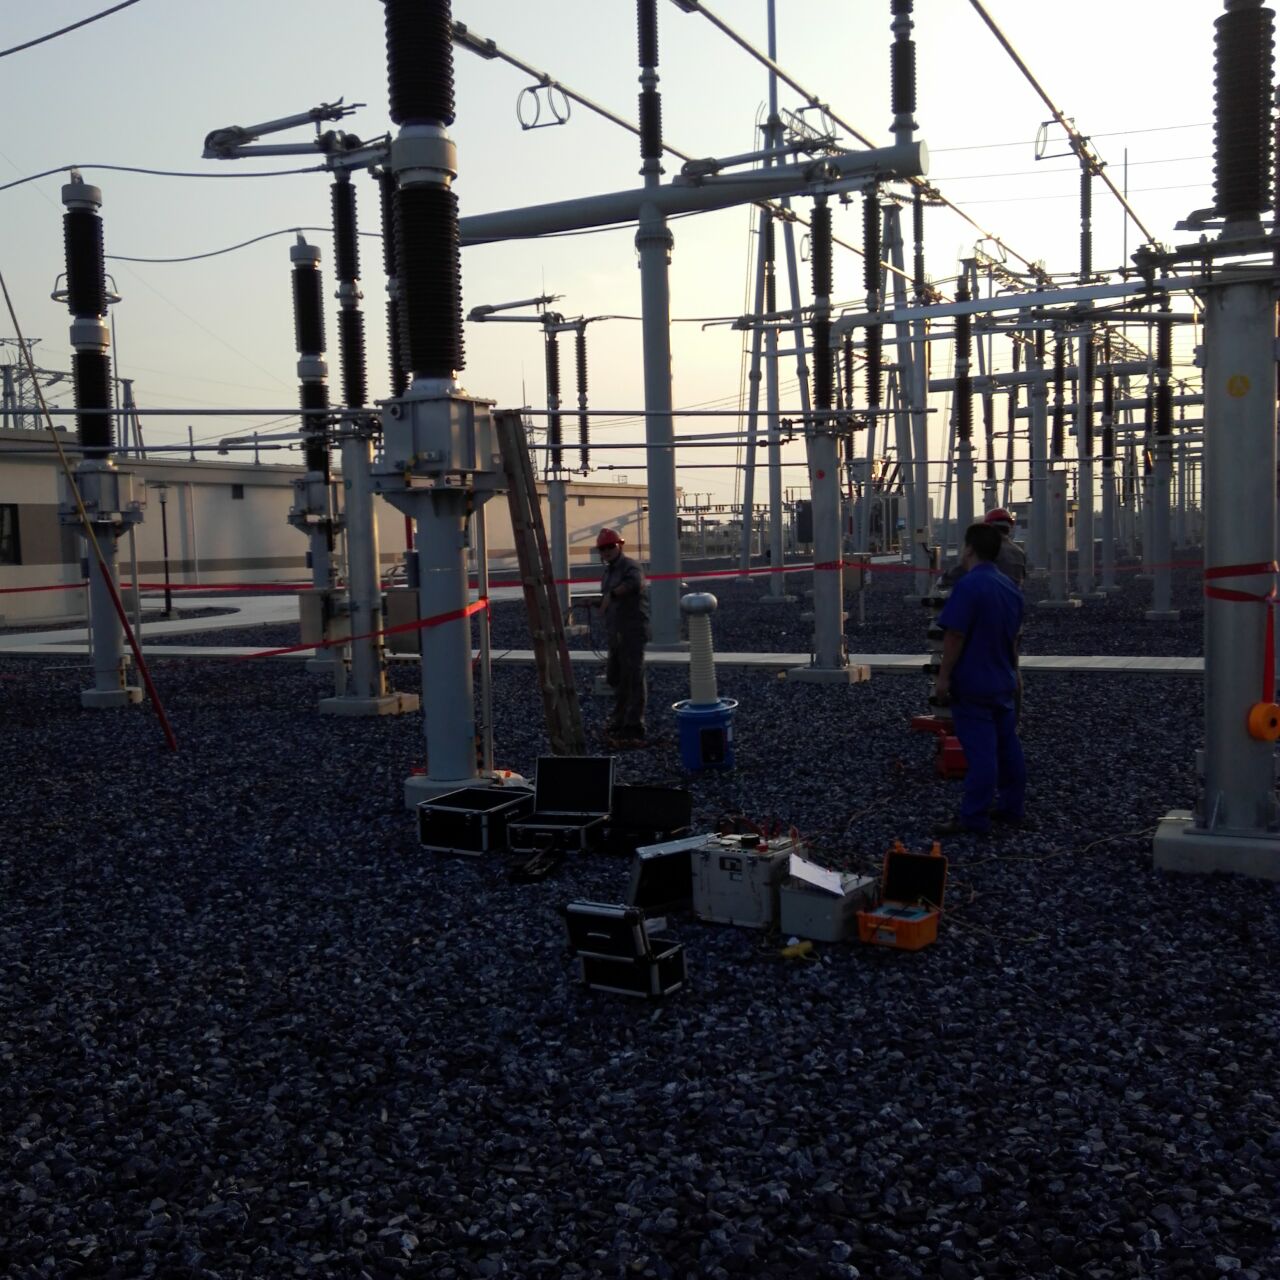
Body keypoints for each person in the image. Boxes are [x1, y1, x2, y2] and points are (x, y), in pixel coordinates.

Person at [932, 522, 1027, 837]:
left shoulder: (969, 586)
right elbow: (1013, 638)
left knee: (981, 753)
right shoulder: (1010, 588)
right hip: (1003, 678)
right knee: (1008, 746)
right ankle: (1012, 808)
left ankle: (974, 817)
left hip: (973, 681)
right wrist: (1012, 674)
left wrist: (943, 678)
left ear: (969, 548)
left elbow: (955, 635)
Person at [595, 527, 650, 747]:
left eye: (610, 546)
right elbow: (608, 598)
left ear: (619, 546)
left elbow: (634, 584)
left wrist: (612, 594)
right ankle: (620, 719)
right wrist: (595, 602)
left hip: (632, 630)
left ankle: (634, 725)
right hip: (616, 631)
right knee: (616, 676)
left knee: (634, 675)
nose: (607, 551)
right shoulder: (608, 572)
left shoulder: (630, 566)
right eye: (603, 548)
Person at [937, 507, 1027, 590]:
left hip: (989, 595)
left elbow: (966, 568)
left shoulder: (987, 547)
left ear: (987, 527)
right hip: (1013, 597)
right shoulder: (1019, 552)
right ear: (1009, 528)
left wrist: (945, 579)